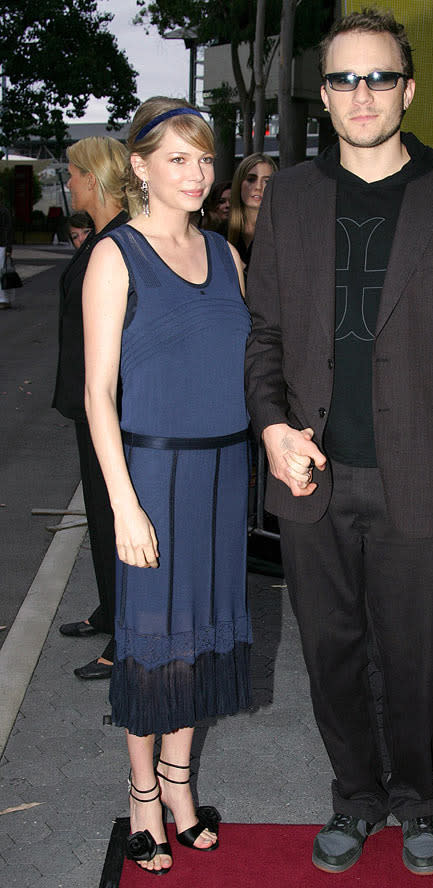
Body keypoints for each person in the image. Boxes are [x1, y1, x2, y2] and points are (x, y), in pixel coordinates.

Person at [245, 9, 433, 878]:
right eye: (345, 79)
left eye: (380, 77)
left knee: (416, 651)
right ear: (324, 94)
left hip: (428, 475)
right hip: (313, 473)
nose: (363, 94)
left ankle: (418, 799)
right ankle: (356, 797)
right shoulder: (288, 194)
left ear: (407, 88)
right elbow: (266, 335)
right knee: (329, 651)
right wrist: (274, 426)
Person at [83, 96, 252, 875]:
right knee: (156, 646)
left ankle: (182, 789)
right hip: (153, 473)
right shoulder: (116, 255)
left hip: (224, 471)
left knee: (205, 636)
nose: (196, 173)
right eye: (177, 158)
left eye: (205, 158)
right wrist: (123, 503)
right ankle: (141, 797)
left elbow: (248, 364)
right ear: (141, 167)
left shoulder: (225, 252)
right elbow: (97, 393)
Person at [53, 137, 128, 680]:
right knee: (101, 517)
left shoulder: (120, 241)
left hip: (112, 404)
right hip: (91, 401)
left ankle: (128, 634)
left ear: (95, 177)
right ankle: (111, 610)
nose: (70, 184)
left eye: (75, 175)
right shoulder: (101, 237)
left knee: (112, 514)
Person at [227, 152, 277, 269]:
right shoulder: (220, 232)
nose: (258, 187)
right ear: (239, 183)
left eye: (267, 181)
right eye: (251, 179)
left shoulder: (283, 232)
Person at [0, 189, 13, 309]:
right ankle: (4, 299)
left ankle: (3, 299)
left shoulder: (3, 211)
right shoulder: (4, 211)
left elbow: (7, 231)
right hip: (2, 245)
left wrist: (8, 248)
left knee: (2, 272)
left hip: (2, 246)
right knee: (2, 272)